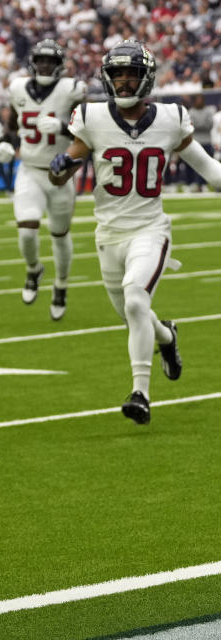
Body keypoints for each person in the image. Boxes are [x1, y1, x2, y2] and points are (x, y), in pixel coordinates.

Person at [48, 40, 221, 424]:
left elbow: (209, 169)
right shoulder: (91, 117)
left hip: (149, 229)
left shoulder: (171, 117)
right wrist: (60, 167)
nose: (125, 82)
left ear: (147, 78)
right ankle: (167, 338)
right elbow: (62, 172)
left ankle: (140, 393)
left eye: (132, 74)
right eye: (118, 75)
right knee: (133, 314)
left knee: (135, 301)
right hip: (108, 234)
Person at [0, 39, 87, 320]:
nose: (45, 65)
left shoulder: (72, 90)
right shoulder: (18, 88)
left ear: (60, 66)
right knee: (27, 229)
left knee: (59, 234)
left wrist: (63, 127)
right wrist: (4, 142)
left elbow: (91, 132)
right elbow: (12, 126)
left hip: (60, 173)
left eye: (51, 61)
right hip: (30, 169)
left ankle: (61, 285)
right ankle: (34, 268)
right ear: (33, 63)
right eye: (42, 60)